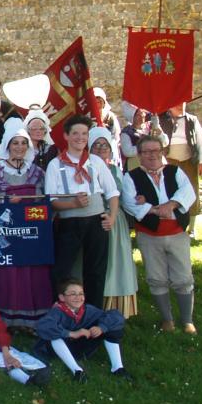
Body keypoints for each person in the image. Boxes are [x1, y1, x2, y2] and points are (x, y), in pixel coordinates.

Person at [121, 135, 198, 334]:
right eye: (146, 152)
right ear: (139, 155)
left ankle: (187, 321)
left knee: (183, 276)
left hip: (176, 233)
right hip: (149, 235)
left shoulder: (175, 171)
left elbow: (188, 194)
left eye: (156, 151)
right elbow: (128, 202)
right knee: (156, 277)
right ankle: (167, 320)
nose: (152, 155)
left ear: (162, 152)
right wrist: (156, 210)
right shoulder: (131, 177)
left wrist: (171, 205)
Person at [0, 128, 51, 328]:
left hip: (30, 232)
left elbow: (45, 200)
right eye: (15, 143)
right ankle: (4, 318)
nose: (19, 147)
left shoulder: (37, 172)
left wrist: (30, 204)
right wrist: (6, 199)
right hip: (5, 230)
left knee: (31, 272)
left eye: (23, 143)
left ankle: (31, 319)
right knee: (7, 272)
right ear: (8, 145)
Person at [45, 115, 119, 308]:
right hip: (69, 223)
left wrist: (111, 217)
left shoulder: (95, 161)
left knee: (96, 270)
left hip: (96, 221)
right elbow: (51, 200)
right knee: (62, 270)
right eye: (75, 133)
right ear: (66, 136)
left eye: (84, 134)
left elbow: (112, 192)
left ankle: (93, 314)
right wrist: (74, 204)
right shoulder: (55, 164)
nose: (80, 137)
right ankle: (62, 312)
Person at [34, 279, 132, 382]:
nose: (78, 297)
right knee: (54, 337)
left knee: (111, 327)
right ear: (62, 297)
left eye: (81, 294)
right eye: (73, 294)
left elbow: (116, 316)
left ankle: (117, 368)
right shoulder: (57, 311)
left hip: (82, 347)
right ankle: (77, 370)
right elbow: (43, 326)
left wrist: (101, 328)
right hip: (60, 350)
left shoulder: (88, 310)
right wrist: (72, 334)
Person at [88, 126, 138, 319]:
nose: (101, 149)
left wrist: (138, 200)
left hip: (115, 223)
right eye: (96, 145)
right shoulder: (84, 169)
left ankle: (116, 308)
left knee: (116, 264)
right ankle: (94, 304)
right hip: (93, 220)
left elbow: (125, 196)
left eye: (105, 145)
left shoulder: (116, 170)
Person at [158, 103, 202, 235]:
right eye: (176, 104)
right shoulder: (161, 120)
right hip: (169, 160)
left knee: (192, 191)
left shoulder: (192, 120)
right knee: (169, 191)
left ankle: (192, 228)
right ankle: (172, 225)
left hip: (188, 160)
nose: (180, 106)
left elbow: (200, 140)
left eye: (182, 103)